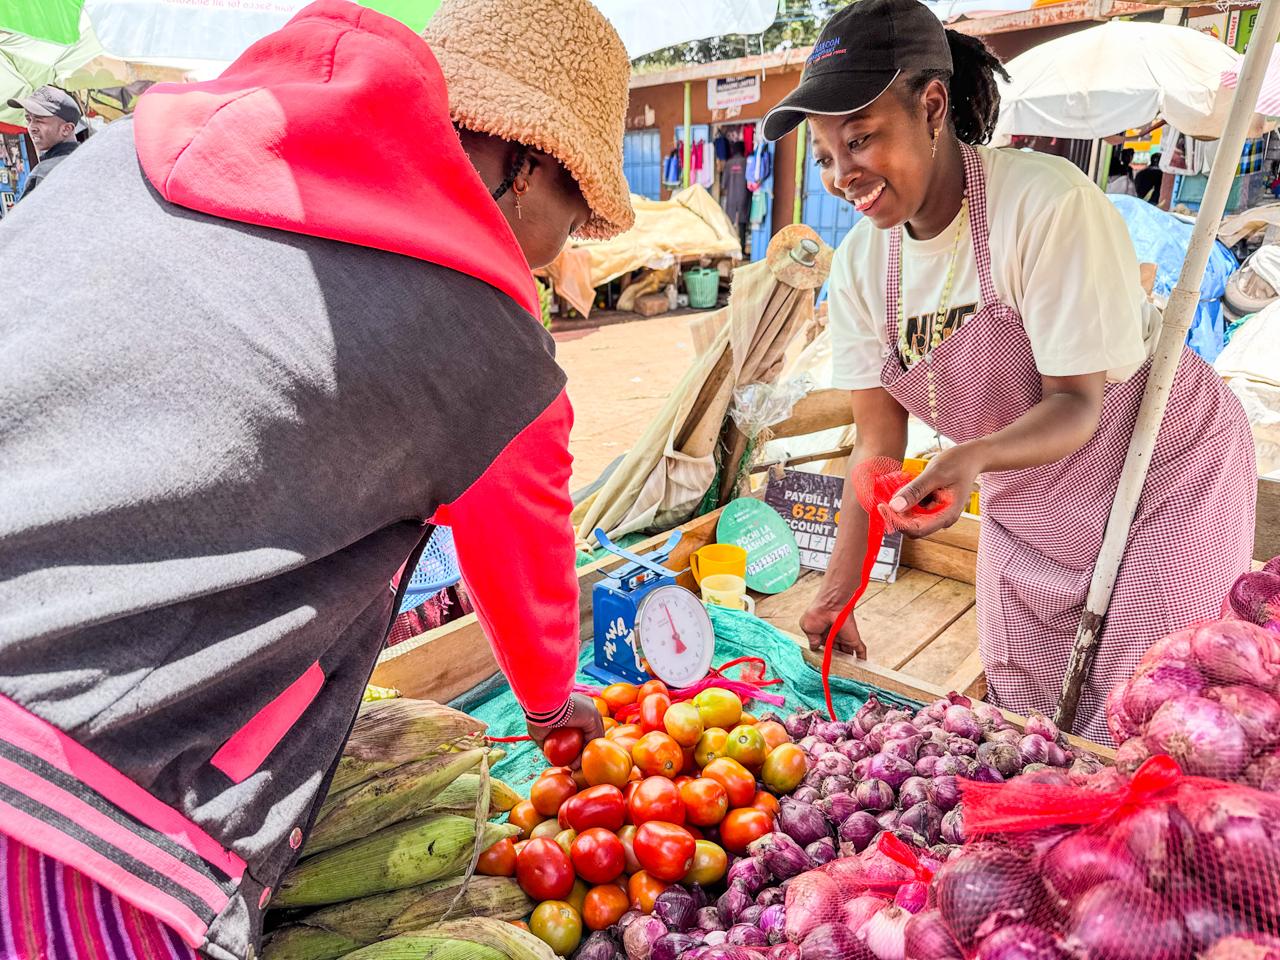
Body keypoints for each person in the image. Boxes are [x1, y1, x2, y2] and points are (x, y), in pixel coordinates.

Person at [0, 0, 631, 956]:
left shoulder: (103, 165)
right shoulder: (492, 343)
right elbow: (527, 571)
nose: (564, 247)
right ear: (529, 167)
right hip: (88, 804)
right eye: (575, 214)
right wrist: (548, 707)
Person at [764, 0, 1255, 744]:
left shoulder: (1045, 204)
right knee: (1024, 722)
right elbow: (876, 447)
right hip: (1028, 494)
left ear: (932, 105)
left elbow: (1077, 404)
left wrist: (974, 456)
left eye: (861, 141)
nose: (841, 177)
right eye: (827, 156)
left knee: (1149, 714)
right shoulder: (867, 262)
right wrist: (841, 589)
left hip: (1163, 474)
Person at [6, 85, 81, 201]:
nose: (31, 127)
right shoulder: (90, 162)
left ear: (66, 129)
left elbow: (27, 219)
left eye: (39, 120)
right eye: (28, 119)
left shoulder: (44, 173)